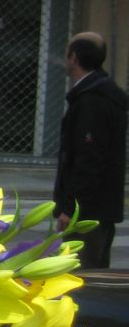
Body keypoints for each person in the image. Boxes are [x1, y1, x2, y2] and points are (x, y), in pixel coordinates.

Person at [53, 31, 127, 269]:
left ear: (74, 57)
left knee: (80, 275)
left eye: (67, 53)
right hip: (99, 208)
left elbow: (89, 159)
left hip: (87, 212)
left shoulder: (92, 101)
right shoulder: (101, 93)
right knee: (93, 271)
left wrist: (70, 208)